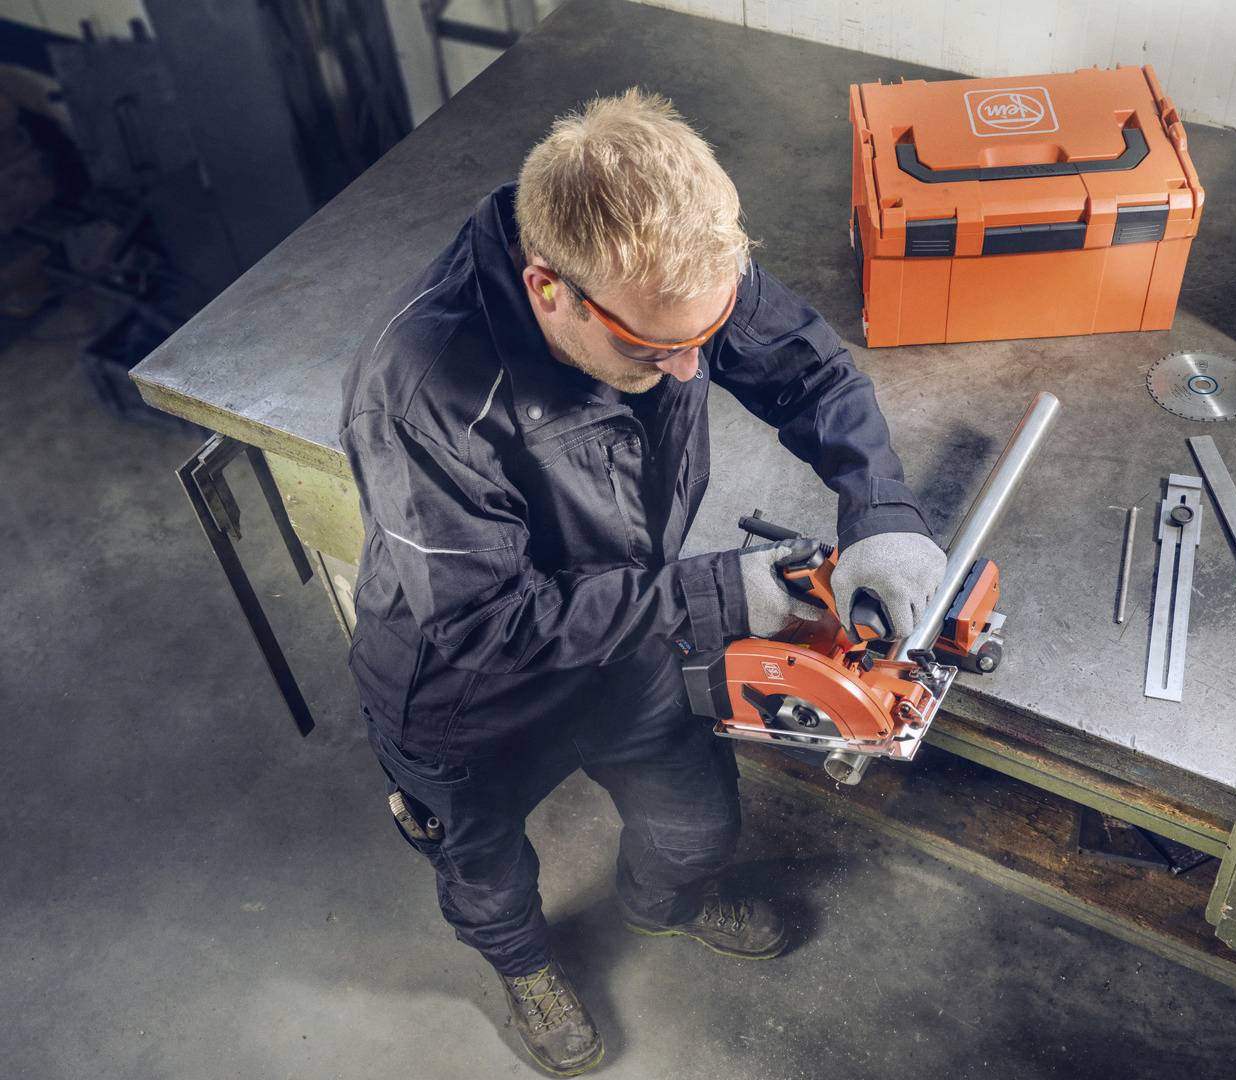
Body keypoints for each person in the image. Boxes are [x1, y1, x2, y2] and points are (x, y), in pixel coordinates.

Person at [339, 88, 946, 1076]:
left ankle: (666, 905)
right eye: (656, 351)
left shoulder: (669, 264)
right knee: (482, 865)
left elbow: (808, 372)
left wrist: (880, 515)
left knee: (695, 822)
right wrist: (727, 597)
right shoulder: (420, 394)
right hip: (466, 686)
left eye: (704, 338)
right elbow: (485, 629)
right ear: (549, 290)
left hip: (633, 637)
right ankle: (523, 967)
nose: (690, 369)